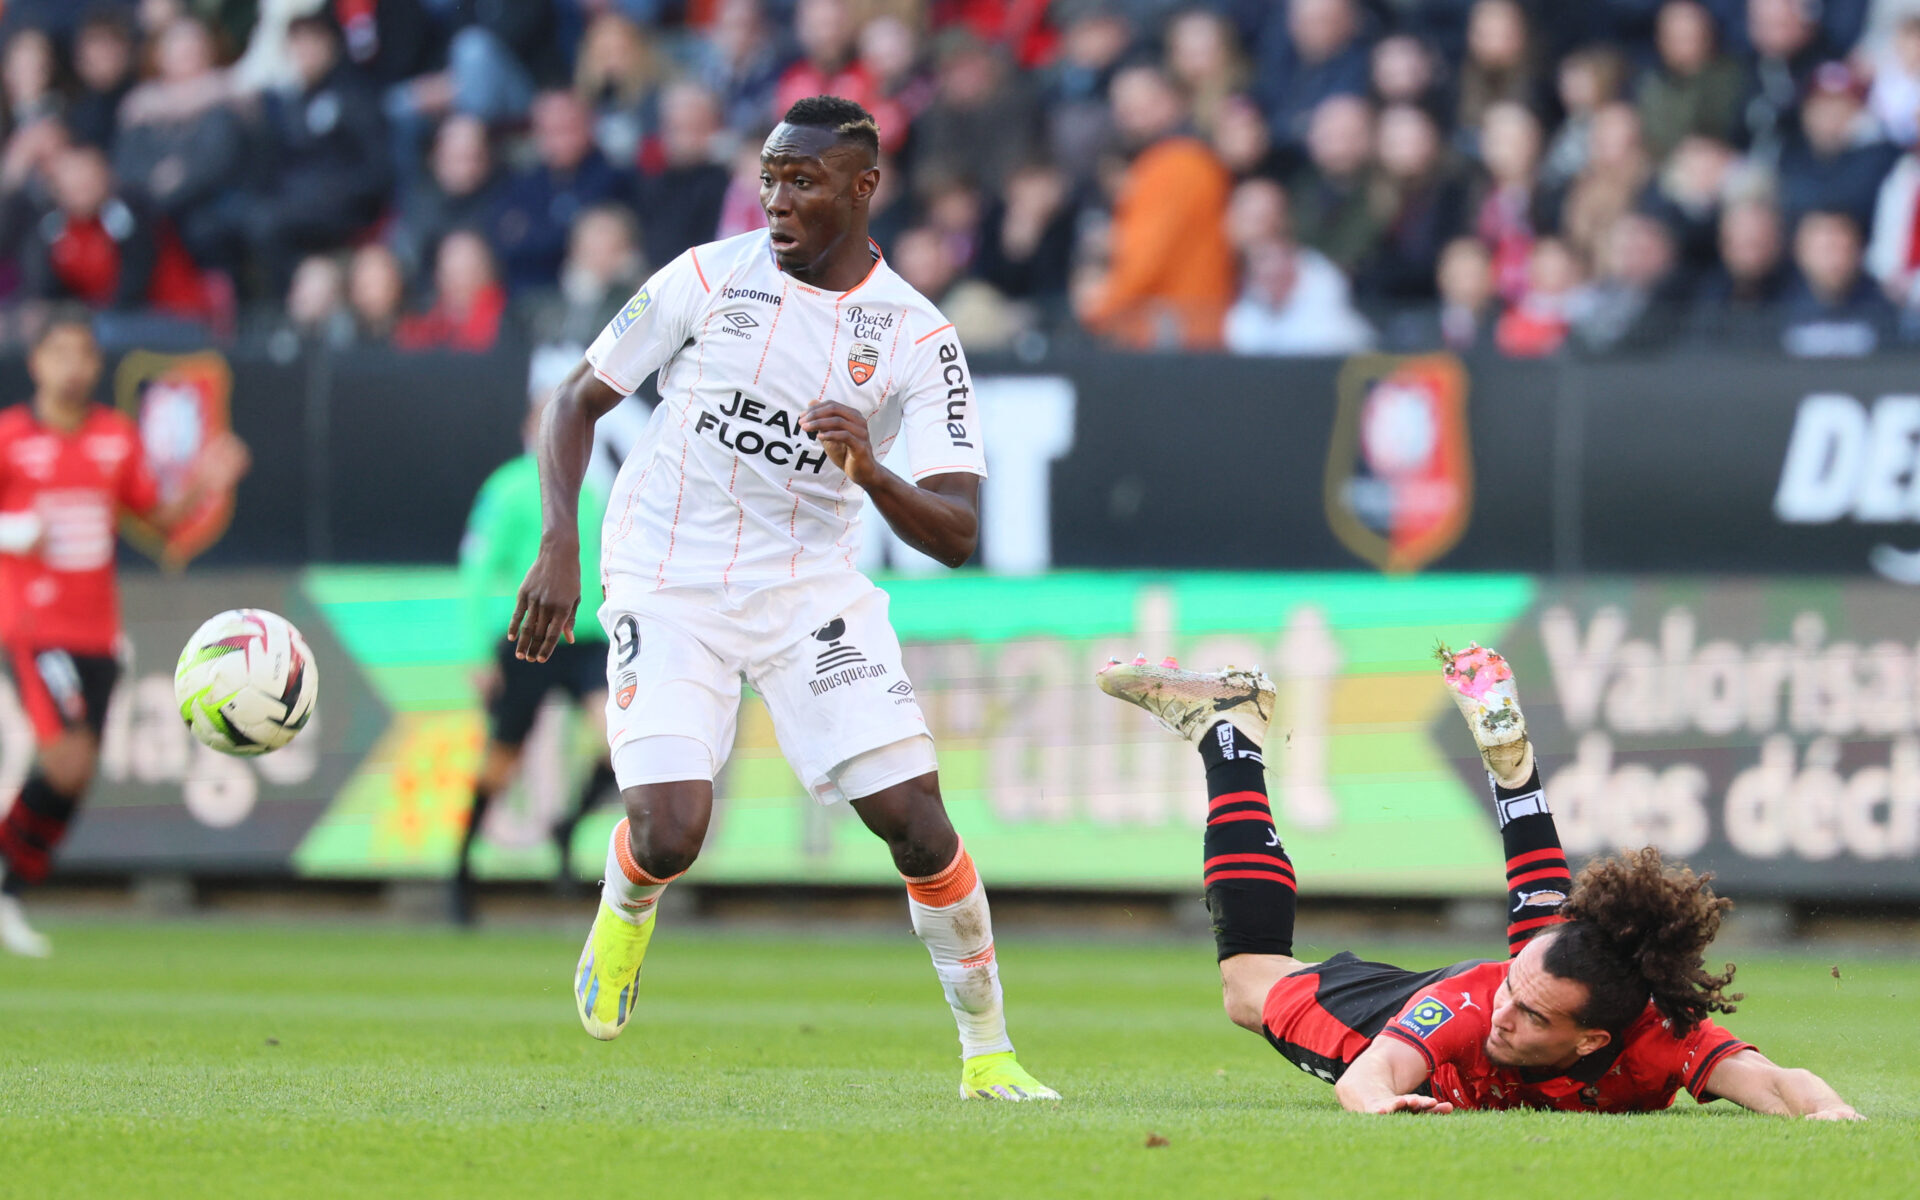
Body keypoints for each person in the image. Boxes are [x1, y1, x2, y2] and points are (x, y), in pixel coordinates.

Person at [509, 96, 1056, 1103]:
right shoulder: (708, 276)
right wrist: (559, 541)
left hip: (808, 589)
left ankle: (990, 1055)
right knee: (672, 830)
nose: (776, 198)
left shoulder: (918, 338)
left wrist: (872, 472)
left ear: (864, 187)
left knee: (918, 824)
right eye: (769, 177)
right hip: (665, 573)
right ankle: (627, 908)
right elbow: (575, 402)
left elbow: (957, 537)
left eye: (802, 180)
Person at [1093, 645, 1862, 1118]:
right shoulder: (1470, 1012)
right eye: (1515, 997)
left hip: (1554, 983)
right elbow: (1370, 1079)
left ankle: (1515, 774)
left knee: (1550, 953)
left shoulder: (1657, 1039)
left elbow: (1779, 1084)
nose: (1505, 1016)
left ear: (1597, 1041)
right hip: (1411, 1015)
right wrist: (1381, 1108)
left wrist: (1832, 1120)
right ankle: (1229, 734)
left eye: (1527, 1015)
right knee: (1250, 990)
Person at [0, 312, 249, 956]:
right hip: (34, 624)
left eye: (84, 354)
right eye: (60, 352)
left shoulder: (115, 437)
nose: (73, 366)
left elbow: (160, 521)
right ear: (36, 365)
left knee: (78, 775)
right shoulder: (10, 438)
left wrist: (205, 481)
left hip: (97, 632)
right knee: (67, 757)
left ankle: (12, 890)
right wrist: (11, 532)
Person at [451, 378, 616, 924]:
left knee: (620, 745)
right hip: (527, 635)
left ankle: (567, 826)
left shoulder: (589, 492)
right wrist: (477, 650)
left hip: (586, 637)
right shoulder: (508, 488)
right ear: (532, 429)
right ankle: (461, 868)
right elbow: (477, 569)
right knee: (502, 759)